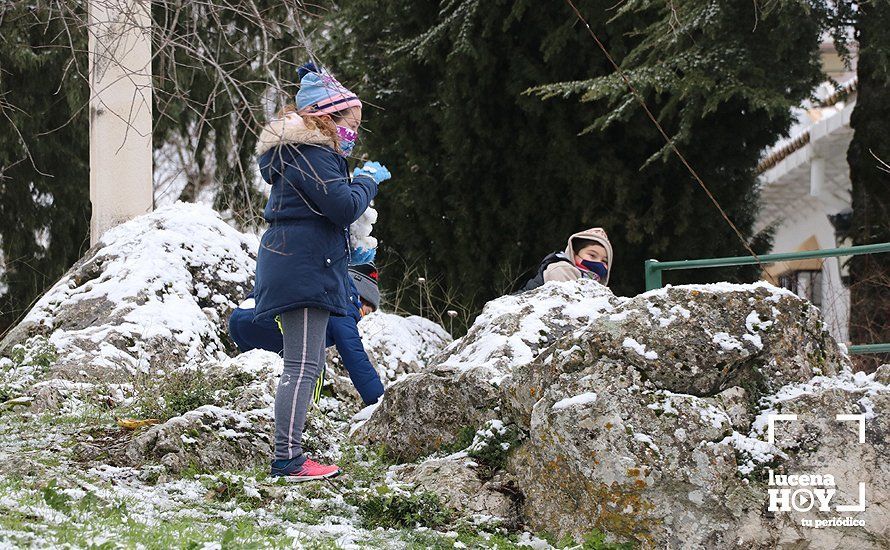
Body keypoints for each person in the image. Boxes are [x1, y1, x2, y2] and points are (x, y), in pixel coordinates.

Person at [253, 62, 390, 482]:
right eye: (353, 122)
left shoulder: (303, 155)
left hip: (301, 262)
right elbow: (341, 205)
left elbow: (323, 214)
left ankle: (288, 456)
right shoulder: (312, 155)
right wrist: (367, 182)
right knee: (302, 367)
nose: (355, 132)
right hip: (304, 270)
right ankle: (287, 460)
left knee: (303, 363)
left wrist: (352, 245)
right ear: (328, 118)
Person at [228, 264, 385, 406]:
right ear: (359, 296)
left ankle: (247, 401)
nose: (363, 316)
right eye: (366, 311)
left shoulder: (324, 281)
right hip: (265, 322)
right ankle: (307, 413)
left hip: (241, 317)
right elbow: (355, 356)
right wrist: (379, 401)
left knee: (263, 369)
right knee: (314, 362)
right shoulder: (345, 304)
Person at [519, 228, 613, 292]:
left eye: (604, 261)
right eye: (592, 255)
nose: (598, 263)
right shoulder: (561, 270)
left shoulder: (593, 284)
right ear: (574, 253)